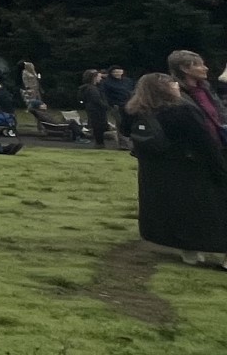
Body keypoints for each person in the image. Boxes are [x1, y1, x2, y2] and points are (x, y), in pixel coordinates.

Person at [124, 72, 227, 268]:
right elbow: (204, 143)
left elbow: (128, 133)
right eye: (173, 84)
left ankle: (189, 252)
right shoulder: (183, 111)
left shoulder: (134, 111)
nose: (177, 86)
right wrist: (219, 169)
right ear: (164, 88)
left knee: (179, 212)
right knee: (212, 210)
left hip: (159, 173)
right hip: (192, 169)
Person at [168, 50, 226, 145]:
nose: (206, 68)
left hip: (221, 144)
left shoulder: (206, 88)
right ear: (184, 69)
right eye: (199, 65)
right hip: (200, 148)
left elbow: (221, 112)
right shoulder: (176, 94)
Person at [79, 69, 112, 149]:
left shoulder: (88, 88)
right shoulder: (92, 89)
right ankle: (99, 143)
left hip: (92, 109)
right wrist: (106, 106)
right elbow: (97, 100)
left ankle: (99, 143)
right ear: (94, 78)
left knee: (97, 126)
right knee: (99, 127)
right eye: (99, 77)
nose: (100, 79)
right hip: (96, 110)